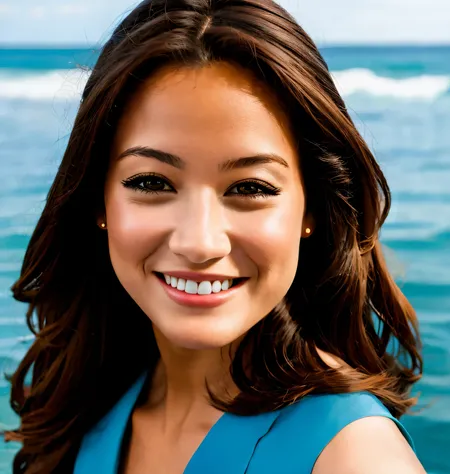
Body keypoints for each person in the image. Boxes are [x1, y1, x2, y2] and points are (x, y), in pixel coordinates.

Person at [7, 0, 426, 472]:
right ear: (97, 201)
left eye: (250, 188)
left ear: (312, 210)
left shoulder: (356, 457)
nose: (200, 242)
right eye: (151, 183)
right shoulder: (87, 398)